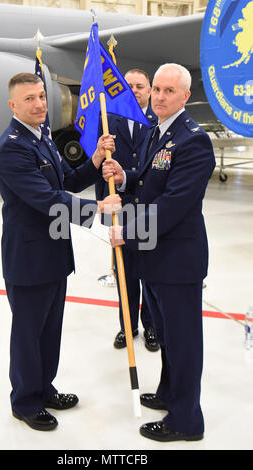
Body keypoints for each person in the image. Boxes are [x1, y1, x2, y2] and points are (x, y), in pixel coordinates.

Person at [0, 72, 120, 431]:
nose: (38, 104)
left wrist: (94, 161)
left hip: (53, 253)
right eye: (29, 99)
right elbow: (50, 201)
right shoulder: (13, 146)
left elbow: (65, 180)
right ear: (13, 105)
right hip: (29, 258)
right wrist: (98, 210)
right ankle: (26, 402)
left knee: (50, 330)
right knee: (29, 333)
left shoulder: (42, 136)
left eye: (41, 97)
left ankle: (44, 388)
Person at [104, 63, 215, 442]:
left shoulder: (193, 140)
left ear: (186, 96)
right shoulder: (158, 131)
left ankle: (186, 421)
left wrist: (127, 235)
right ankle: (169, 393)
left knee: (183, 342)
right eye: (158, 90)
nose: (161, 97)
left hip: (178, 260)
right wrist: (125, 176)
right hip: (157, 258)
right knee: (168, 335)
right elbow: (150, 181)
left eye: (170, 91)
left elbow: (173, 204)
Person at [95, 69, 159, 352]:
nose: (134, 90)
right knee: (125, 274)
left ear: (149, 90)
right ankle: (127, 325)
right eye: (128, 85)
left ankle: (152, 327)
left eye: (140, 86)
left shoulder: (159, 122)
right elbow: (102, 168)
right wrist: (105, 209)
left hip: (150, 211)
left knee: (152, 275)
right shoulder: (109, 121)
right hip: (122, 210)